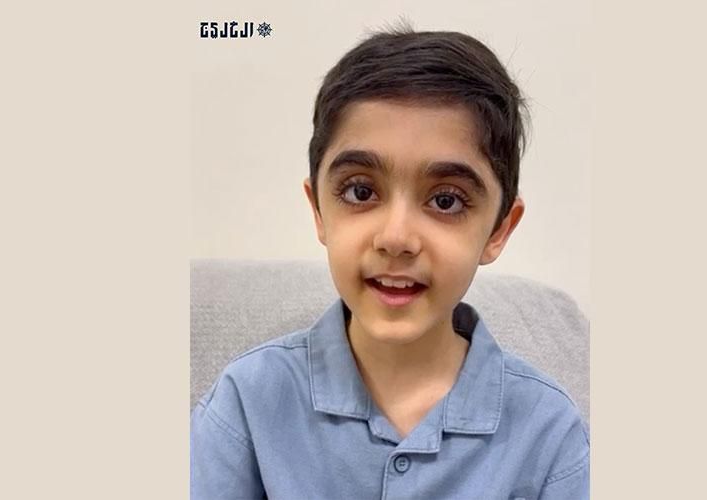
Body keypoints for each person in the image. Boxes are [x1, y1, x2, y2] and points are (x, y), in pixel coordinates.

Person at [190, 22, 589, 499]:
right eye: (361, 192)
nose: (396, 238)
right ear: (318, 210)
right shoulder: (246, 403)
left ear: (500, 228)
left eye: (445, 201)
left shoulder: (549, 433)